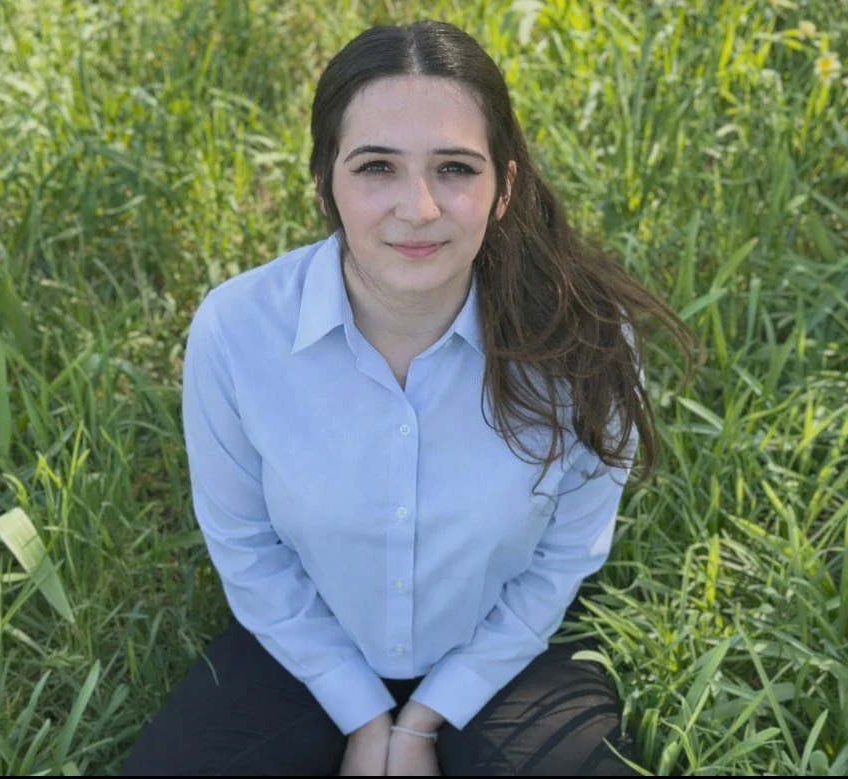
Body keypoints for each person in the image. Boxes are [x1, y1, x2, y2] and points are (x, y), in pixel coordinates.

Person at [122, 18, 699, 777]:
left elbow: (561, 559)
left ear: (504, 189)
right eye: (376, 167)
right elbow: (249, 550)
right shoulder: (238, 331)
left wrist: (424, 719)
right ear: (326, 176)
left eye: (456, 168)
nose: (418, 207)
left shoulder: (585, 340)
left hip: (508, 646)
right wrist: (362, 712)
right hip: (300, 642)